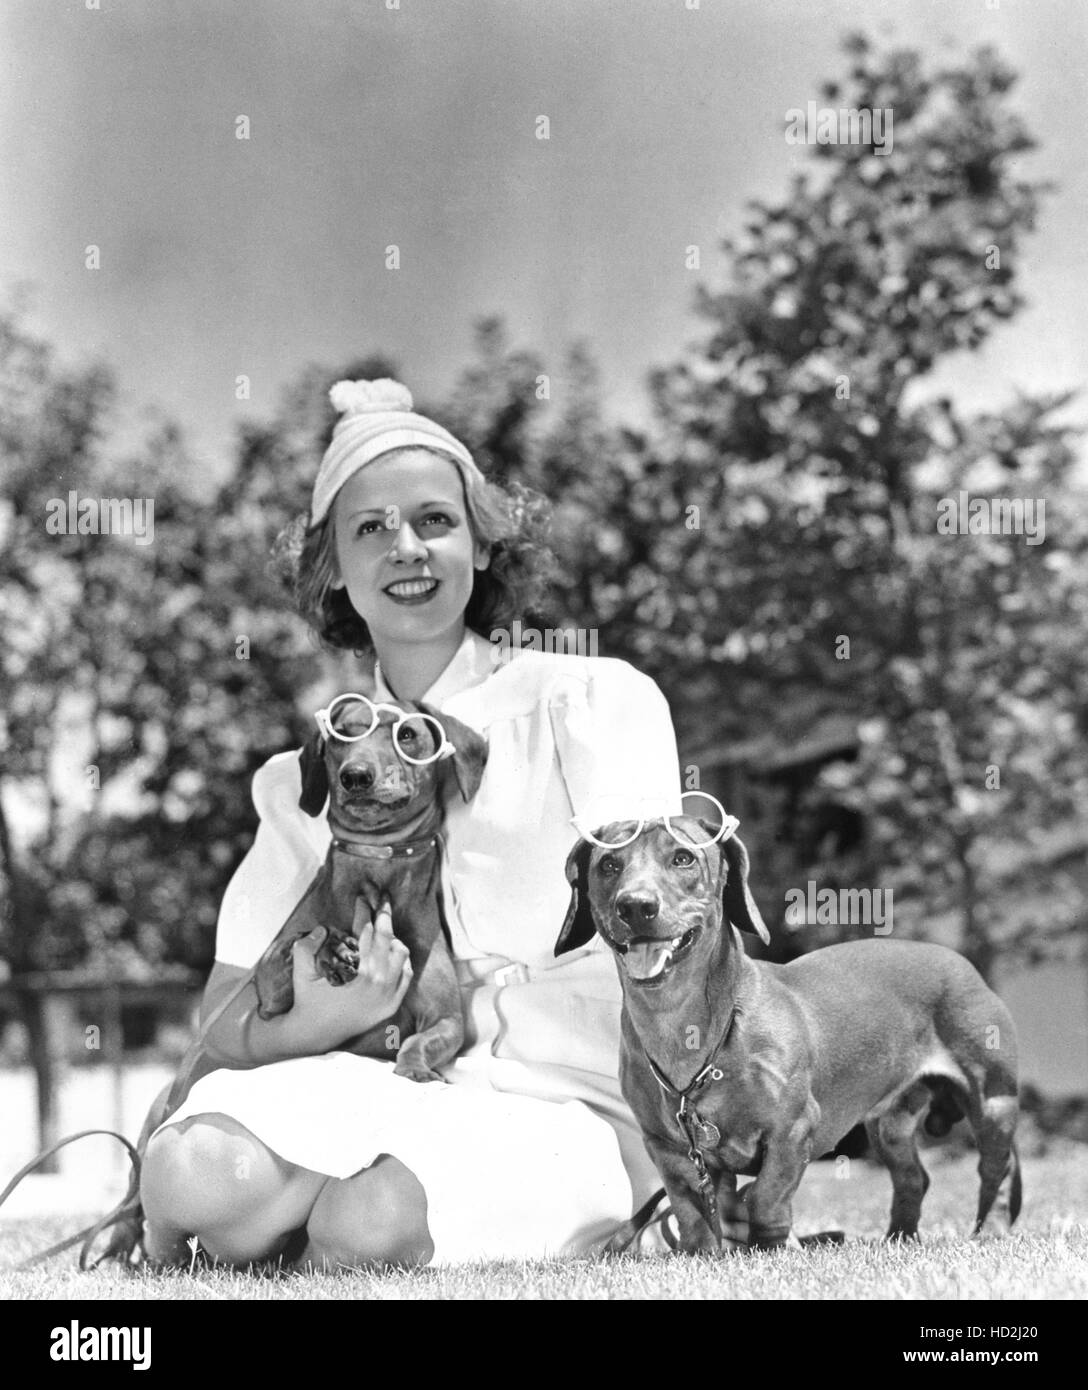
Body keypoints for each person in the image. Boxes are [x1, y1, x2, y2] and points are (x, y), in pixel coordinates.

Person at [140, 378, 682, 1267]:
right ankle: (287, 1213)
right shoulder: (307, 778)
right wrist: (323, 1017)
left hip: (565, 1103)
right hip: (378, 1082)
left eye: (435, 519)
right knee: (195, 1172)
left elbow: (672, 937)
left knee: (366, 1222)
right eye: (370, 528)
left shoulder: (589, 703)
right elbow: (222, 1016)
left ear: (481, 542)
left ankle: (321, 1227)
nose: (407, 547)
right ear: (334, 574)